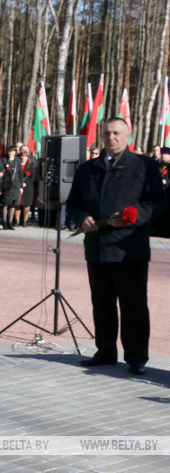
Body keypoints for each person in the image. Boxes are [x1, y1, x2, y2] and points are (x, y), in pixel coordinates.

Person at [67, 117, 168, 376]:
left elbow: (157, 203)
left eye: (116, 133)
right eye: (107, 133)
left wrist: (130, 217)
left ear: (128, 136)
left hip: (129, 248)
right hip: (97, 247)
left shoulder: (143, 166)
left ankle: (136, 356)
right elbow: (74, 202)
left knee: (133, 304)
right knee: (102, 302)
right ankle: (105, 351)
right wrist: (81, 218)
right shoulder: (88, 169)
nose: (111, 138)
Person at [0, 148, 24, 230]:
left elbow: (20, 173)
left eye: (12, 151)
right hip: (7, 185)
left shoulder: (17, 161)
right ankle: (4, 222)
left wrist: (21, 186)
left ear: (15, 153)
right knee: (6, 204)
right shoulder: (4, 160)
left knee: (13, 204)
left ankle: (10, 222)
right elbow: (2, 172)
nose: (10, 153)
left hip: (16, 185)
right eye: (9, 151)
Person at [15, 149, 37, 227]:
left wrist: (26, 183)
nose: (23, 158)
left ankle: (24, 221)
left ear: (28, 157)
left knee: (26, 205)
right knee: (17, 204)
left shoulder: (31, 166)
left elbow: (33, 178)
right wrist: (19, 183)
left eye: (25, 156)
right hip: (18, 187)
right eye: (21, 156)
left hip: (28, 188)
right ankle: (17, 221)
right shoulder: (17, 165)